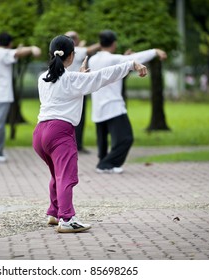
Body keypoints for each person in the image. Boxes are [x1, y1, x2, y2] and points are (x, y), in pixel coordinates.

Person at [32, 35, 147, 233]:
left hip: (40, 133)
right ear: (71, 56)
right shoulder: (75, 79)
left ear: (51, 54)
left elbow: (65, 83)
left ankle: (54, 212)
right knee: (66, 177)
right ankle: (67, 219)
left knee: (56, 175)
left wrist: (80, 75)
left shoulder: (42, 78)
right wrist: (131, 64)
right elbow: (102, 76)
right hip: (60, 132)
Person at [89, 30, 167, 174]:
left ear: (100, 43)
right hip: (113, 106)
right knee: (126, 138)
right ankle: (105, 165)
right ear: (114, 44)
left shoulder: (92, 60)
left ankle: (103, 162)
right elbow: (137, 58)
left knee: (103, 140)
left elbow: (113, 67)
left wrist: (123, 58)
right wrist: (155, 51)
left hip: (98, 107)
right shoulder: (113, 59)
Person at [0, 32, 41, 163]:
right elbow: (15, 53)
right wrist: (32, 48)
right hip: (1, 95)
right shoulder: (4, 53)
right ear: (9, 44)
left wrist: (18, 49)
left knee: (0, 124)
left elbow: (14, 53)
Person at [65, 31, 100, 154]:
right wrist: (102, 43)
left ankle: (70, 144)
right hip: (78, 88)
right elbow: (89, 50)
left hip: (66, 89)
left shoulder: (65, 51)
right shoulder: (76, 51)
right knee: (79, 118)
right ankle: (77, 145)